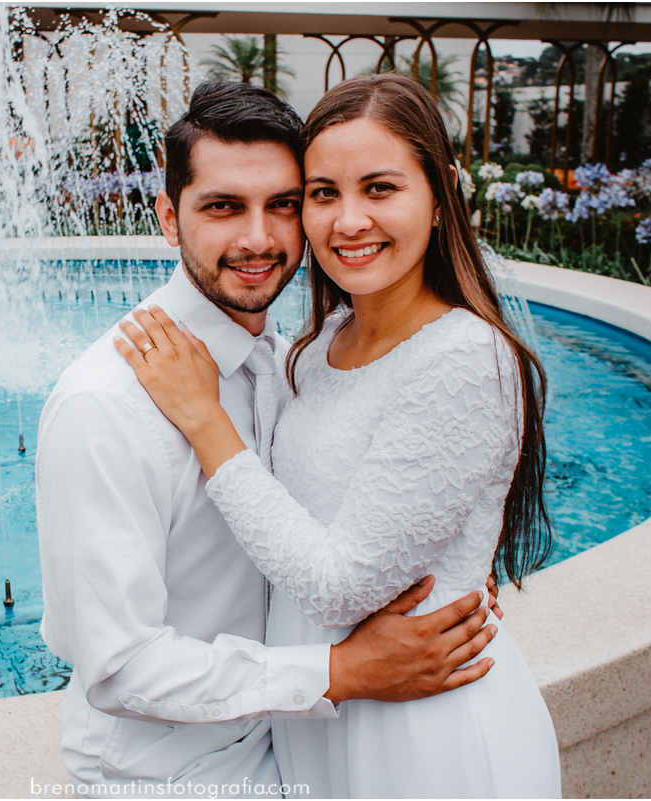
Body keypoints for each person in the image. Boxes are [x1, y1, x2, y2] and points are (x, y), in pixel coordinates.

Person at [37, 81, 501, 798]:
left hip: (302, 749)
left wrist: (450, 557)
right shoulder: (107, 403)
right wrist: (340, 672)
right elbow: (118, 664)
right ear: (168, 216)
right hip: (169, 775)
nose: (259, 238)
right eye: (223, 206)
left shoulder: (291, 356)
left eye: (283, 204)